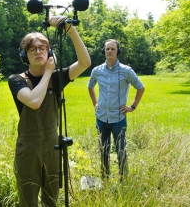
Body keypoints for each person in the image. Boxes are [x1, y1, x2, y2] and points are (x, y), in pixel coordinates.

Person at [8, 16, 91, 207]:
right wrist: (48, 72)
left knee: (51, 200)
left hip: (53, 145)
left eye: (43, 48)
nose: (38, 52)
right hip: (28, 148)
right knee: (28, 201)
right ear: (25, 55)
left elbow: (85, 62)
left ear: (49, 52)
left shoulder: (57, 77)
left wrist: (70, 29)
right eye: (32, 49)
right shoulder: (17, 80)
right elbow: (34, 101)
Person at [87, 39, 145, 182]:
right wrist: (95, 103)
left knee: (121, 151)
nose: (110, 51)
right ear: (104, 51)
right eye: (107, 49)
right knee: (103, 151)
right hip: (101, 118)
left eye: (113, 49)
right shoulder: (97, 71)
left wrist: (132, 107)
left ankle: (123, 180)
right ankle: (105, 179)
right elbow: (90, 86)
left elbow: (140, 88)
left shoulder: (126, 71)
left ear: (118, 51)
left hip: (118, 118)